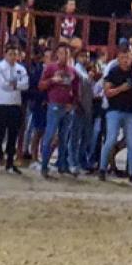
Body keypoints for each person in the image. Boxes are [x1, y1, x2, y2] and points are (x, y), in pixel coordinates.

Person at [97, 48, 132, 186]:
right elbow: (107, 92)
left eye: (127, 57)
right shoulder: (113, 72)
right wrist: (120, 89)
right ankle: (102, 168)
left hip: (130, 111)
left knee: (131, 142)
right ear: (118, 58)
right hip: (115, 110)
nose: (125, 60)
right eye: (123, 57)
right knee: (111, 139)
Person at [39, 42, 77, 178]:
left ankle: (61, 164)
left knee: (64, 137)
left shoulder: (72, 71)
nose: (64, 56)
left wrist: (72, 103)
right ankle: (44, 165)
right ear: (57, 54)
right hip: (54, 105)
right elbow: (41, 85)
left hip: (67, 107)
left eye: (67, 53)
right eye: (62, 53)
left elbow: (76, 89)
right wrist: (52, 80)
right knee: (49, 136)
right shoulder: (50, 68)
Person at [0, 43, 29, 173]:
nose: (13, 57)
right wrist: (16, 84)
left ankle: (10, 163)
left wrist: (13, 84)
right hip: (1, 103)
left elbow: (26, 85)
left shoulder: (21, 68)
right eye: (11, 54)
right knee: (0, 133)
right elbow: (3, 85)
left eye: (15, 54)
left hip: (15, 104)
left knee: (13, 134)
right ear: (5, 54)